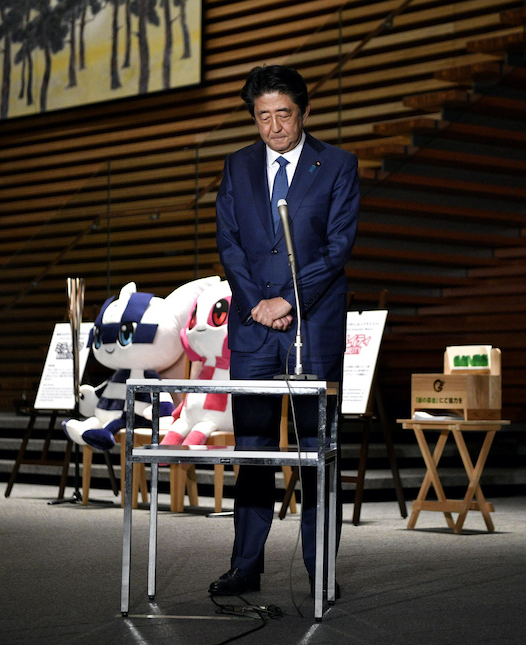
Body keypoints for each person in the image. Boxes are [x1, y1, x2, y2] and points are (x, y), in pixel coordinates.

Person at [211, 65, 359, 596]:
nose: (273, 126)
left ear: (304, 111)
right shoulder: (238, 166)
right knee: (252, 452)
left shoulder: (338, 165)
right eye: (263, 116)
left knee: (317, 451)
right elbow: (230, 245)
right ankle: (245, 566)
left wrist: (288, 301)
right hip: (254, 330)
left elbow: (337, 248)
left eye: (284, 114)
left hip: (311, 327)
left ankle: (321, 573)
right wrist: (258, 304)